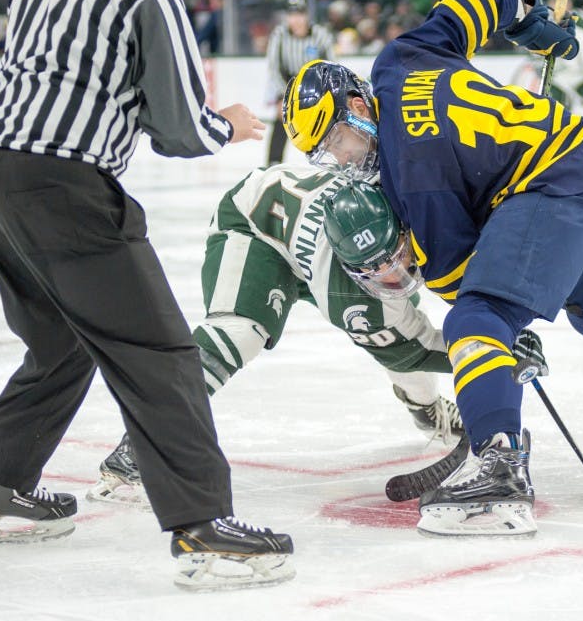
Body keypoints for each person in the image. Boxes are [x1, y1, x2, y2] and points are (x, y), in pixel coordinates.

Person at [282, 0, 583, 537]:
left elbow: (460, 282)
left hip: (554, 190)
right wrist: (530, 21)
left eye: (340, 138)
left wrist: (500, 342)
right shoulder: (399, 59)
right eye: (328, 154)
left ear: (358, 105)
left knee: (475, 319)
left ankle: (499, 466)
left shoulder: (412, 177)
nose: (343, 157)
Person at [0, 0, 292, 591]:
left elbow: (76, 79)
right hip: (65, 187)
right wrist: (229, 126)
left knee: (61, 342)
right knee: (160, 352)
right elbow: (178, 128)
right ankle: (203, 525)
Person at [88, 163, 463, 508]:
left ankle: (425, 408)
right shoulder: (348, 296)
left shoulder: (396, 211)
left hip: (295, 218)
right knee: (238, 332)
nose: (394, 275)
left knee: (401, 318)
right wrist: (493, 350)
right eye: (377, 271)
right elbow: (411, 350)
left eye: (396, 258)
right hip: (254, 230)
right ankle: (143, 441)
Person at [511, 0, 583, 129]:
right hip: (563, 79)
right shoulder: (545, 22)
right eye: (553, 1)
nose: (557, 6)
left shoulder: (580, 26)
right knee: (556, 119)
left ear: (569, 3)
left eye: (561, 2)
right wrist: (538, 62)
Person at [265, 0, 334, 165]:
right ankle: (273, 162)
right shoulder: (279, 34)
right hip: (288, 82)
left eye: (300, 14)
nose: (296, 20)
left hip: (315, 84)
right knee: (281, 116)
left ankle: (326, 160)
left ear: (307, 15)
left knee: (322, 119)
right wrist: (284, 94)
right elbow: (273, 67)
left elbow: (331, 65)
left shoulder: (320, 35)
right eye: (292, 15)